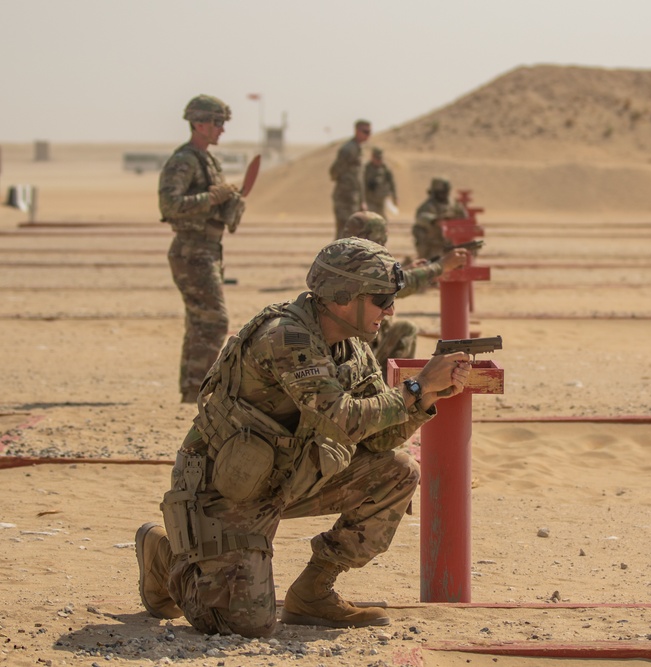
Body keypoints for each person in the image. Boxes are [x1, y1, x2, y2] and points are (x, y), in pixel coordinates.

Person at [134, 237, 471, 637]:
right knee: (241, 625)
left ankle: (314, 591)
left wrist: (425, 398)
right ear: (344, 296)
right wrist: (413, 389)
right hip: (228, 489)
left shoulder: (353, 349)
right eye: (381, 299)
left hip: (288, 476)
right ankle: (166, 554)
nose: (390, 310)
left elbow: (376, 441)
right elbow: (341, 419)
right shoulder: (286, 338)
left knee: (396, 472)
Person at [159, 94, 245, 404]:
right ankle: (199, 390)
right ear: (198, 123)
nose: (222, 129)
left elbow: (217, 210)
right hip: (191, 250)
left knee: (200, 322)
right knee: (214, 321)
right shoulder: (184, 160)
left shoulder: (208, 160)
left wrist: (230, 203)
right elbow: (169, 205)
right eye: (217, 122)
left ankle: (192, 390)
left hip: (208, 248)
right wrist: (211, 198)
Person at [342, 211, 468, 374]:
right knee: (406, 330)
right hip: (354, 354)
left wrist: (406, 270)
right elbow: (399, 284)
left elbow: (385, 283)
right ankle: (390, 391)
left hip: (349, 347)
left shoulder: (342, 256)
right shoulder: (363, 262)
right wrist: (441, 266)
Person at [329, 119, 371, 239]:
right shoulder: (348, 149)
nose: (368, 135)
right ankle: (336, 257)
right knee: (344, 231)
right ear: (357, 131)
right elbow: (335, 171)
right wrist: (345, 183)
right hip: (345, 197)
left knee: (353, 232)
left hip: (354, 198)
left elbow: (359, 178)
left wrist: (362, 200)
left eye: (369, 132)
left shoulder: (359, 149)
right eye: (365, 131)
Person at [412, 176, 468, 260]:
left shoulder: (454, 204)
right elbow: (421, 217)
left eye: (446, 192)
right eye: (441, 193)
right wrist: (435, 220)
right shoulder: (428, 206)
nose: (444, 195)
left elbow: (464, 218)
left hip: (452, 244)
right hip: (433, 247)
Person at [363, 147, 398, 219]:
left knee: (383, 221)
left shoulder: (385, 168)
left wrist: (395, 197)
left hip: (382, 201)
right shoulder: (366, 168)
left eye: (380, 158)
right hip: (370, 201)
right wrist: (362, 201)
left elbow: (392, 183)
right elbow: (361, 185)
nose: (379, 160)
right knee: (370, 220)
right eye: (377, 158)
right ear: (372, 157)